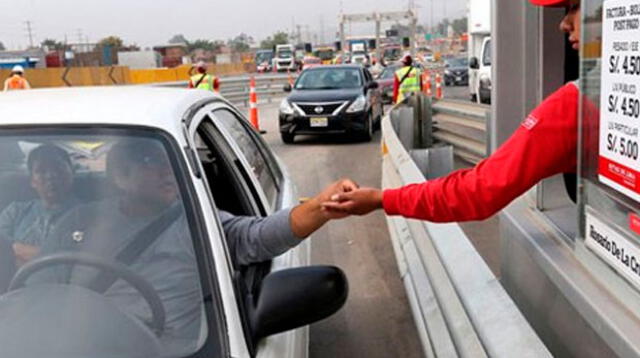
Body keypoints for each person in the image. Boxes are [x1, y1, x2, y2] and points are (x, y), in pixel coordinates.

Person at [37, 139, 357, 342]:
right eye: (151, 163)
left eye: (169, 163)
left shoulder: (196, 221)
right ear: (120, 176)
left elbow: (258, 236)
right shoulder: (78, 222)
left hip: (164, 347)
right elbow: (41, 288)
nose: (167, 172)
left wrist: (321, 207)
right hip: (79, 344)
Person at [323, 0, 582, 223]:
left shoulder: (574, 106)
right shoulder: (592, 98)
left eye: (576, 6)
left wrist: (382, 199)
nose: (563, 24)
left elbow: (480, 190)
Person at [0, 145, 76, 267]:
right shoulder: (14, 212)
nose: (50, 176)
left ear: (72, 172)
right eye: (41, 171)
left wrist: (18, 250)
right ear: (32, 181)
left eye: (57, 168)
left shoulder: (88, 214)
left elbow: (80, 260)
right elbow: (2, 250)